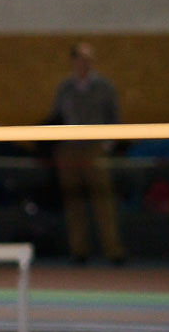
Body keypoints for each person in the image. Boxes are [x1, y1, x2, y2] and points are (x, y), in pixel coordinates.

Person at [46, 42, 125, 264]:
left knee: (104, 202)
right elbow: (56, 116)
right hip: (69, 150)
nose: (83, 63)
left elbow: (114, 117)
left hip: (95, 149)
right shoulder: (64, 88)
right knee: (73, 202)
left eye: (87, 58)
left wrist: (107, 145)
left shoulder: (105, 87)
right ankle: (79, 251)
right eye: (79, 58)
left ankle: (114, 250)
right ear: (73, 61)